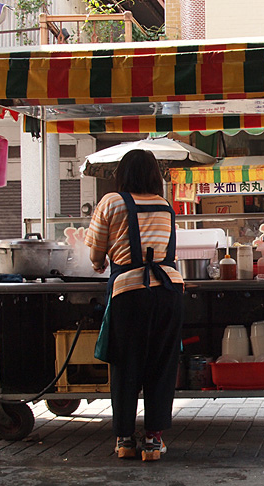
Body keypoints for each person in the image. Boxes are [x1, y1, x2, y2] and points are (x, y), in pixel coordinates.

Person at [85, 149, 184, 461]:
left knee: (126, 365)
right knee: (161, 365)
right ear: (155, 175)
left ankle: (126, 440)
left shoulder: (111, 201)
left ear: (122, 174)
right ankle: (154, 441)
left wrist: (102, 262)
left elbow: (95, 257)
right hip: (169, 292)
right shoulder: (165, 206)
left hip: (129, 293)